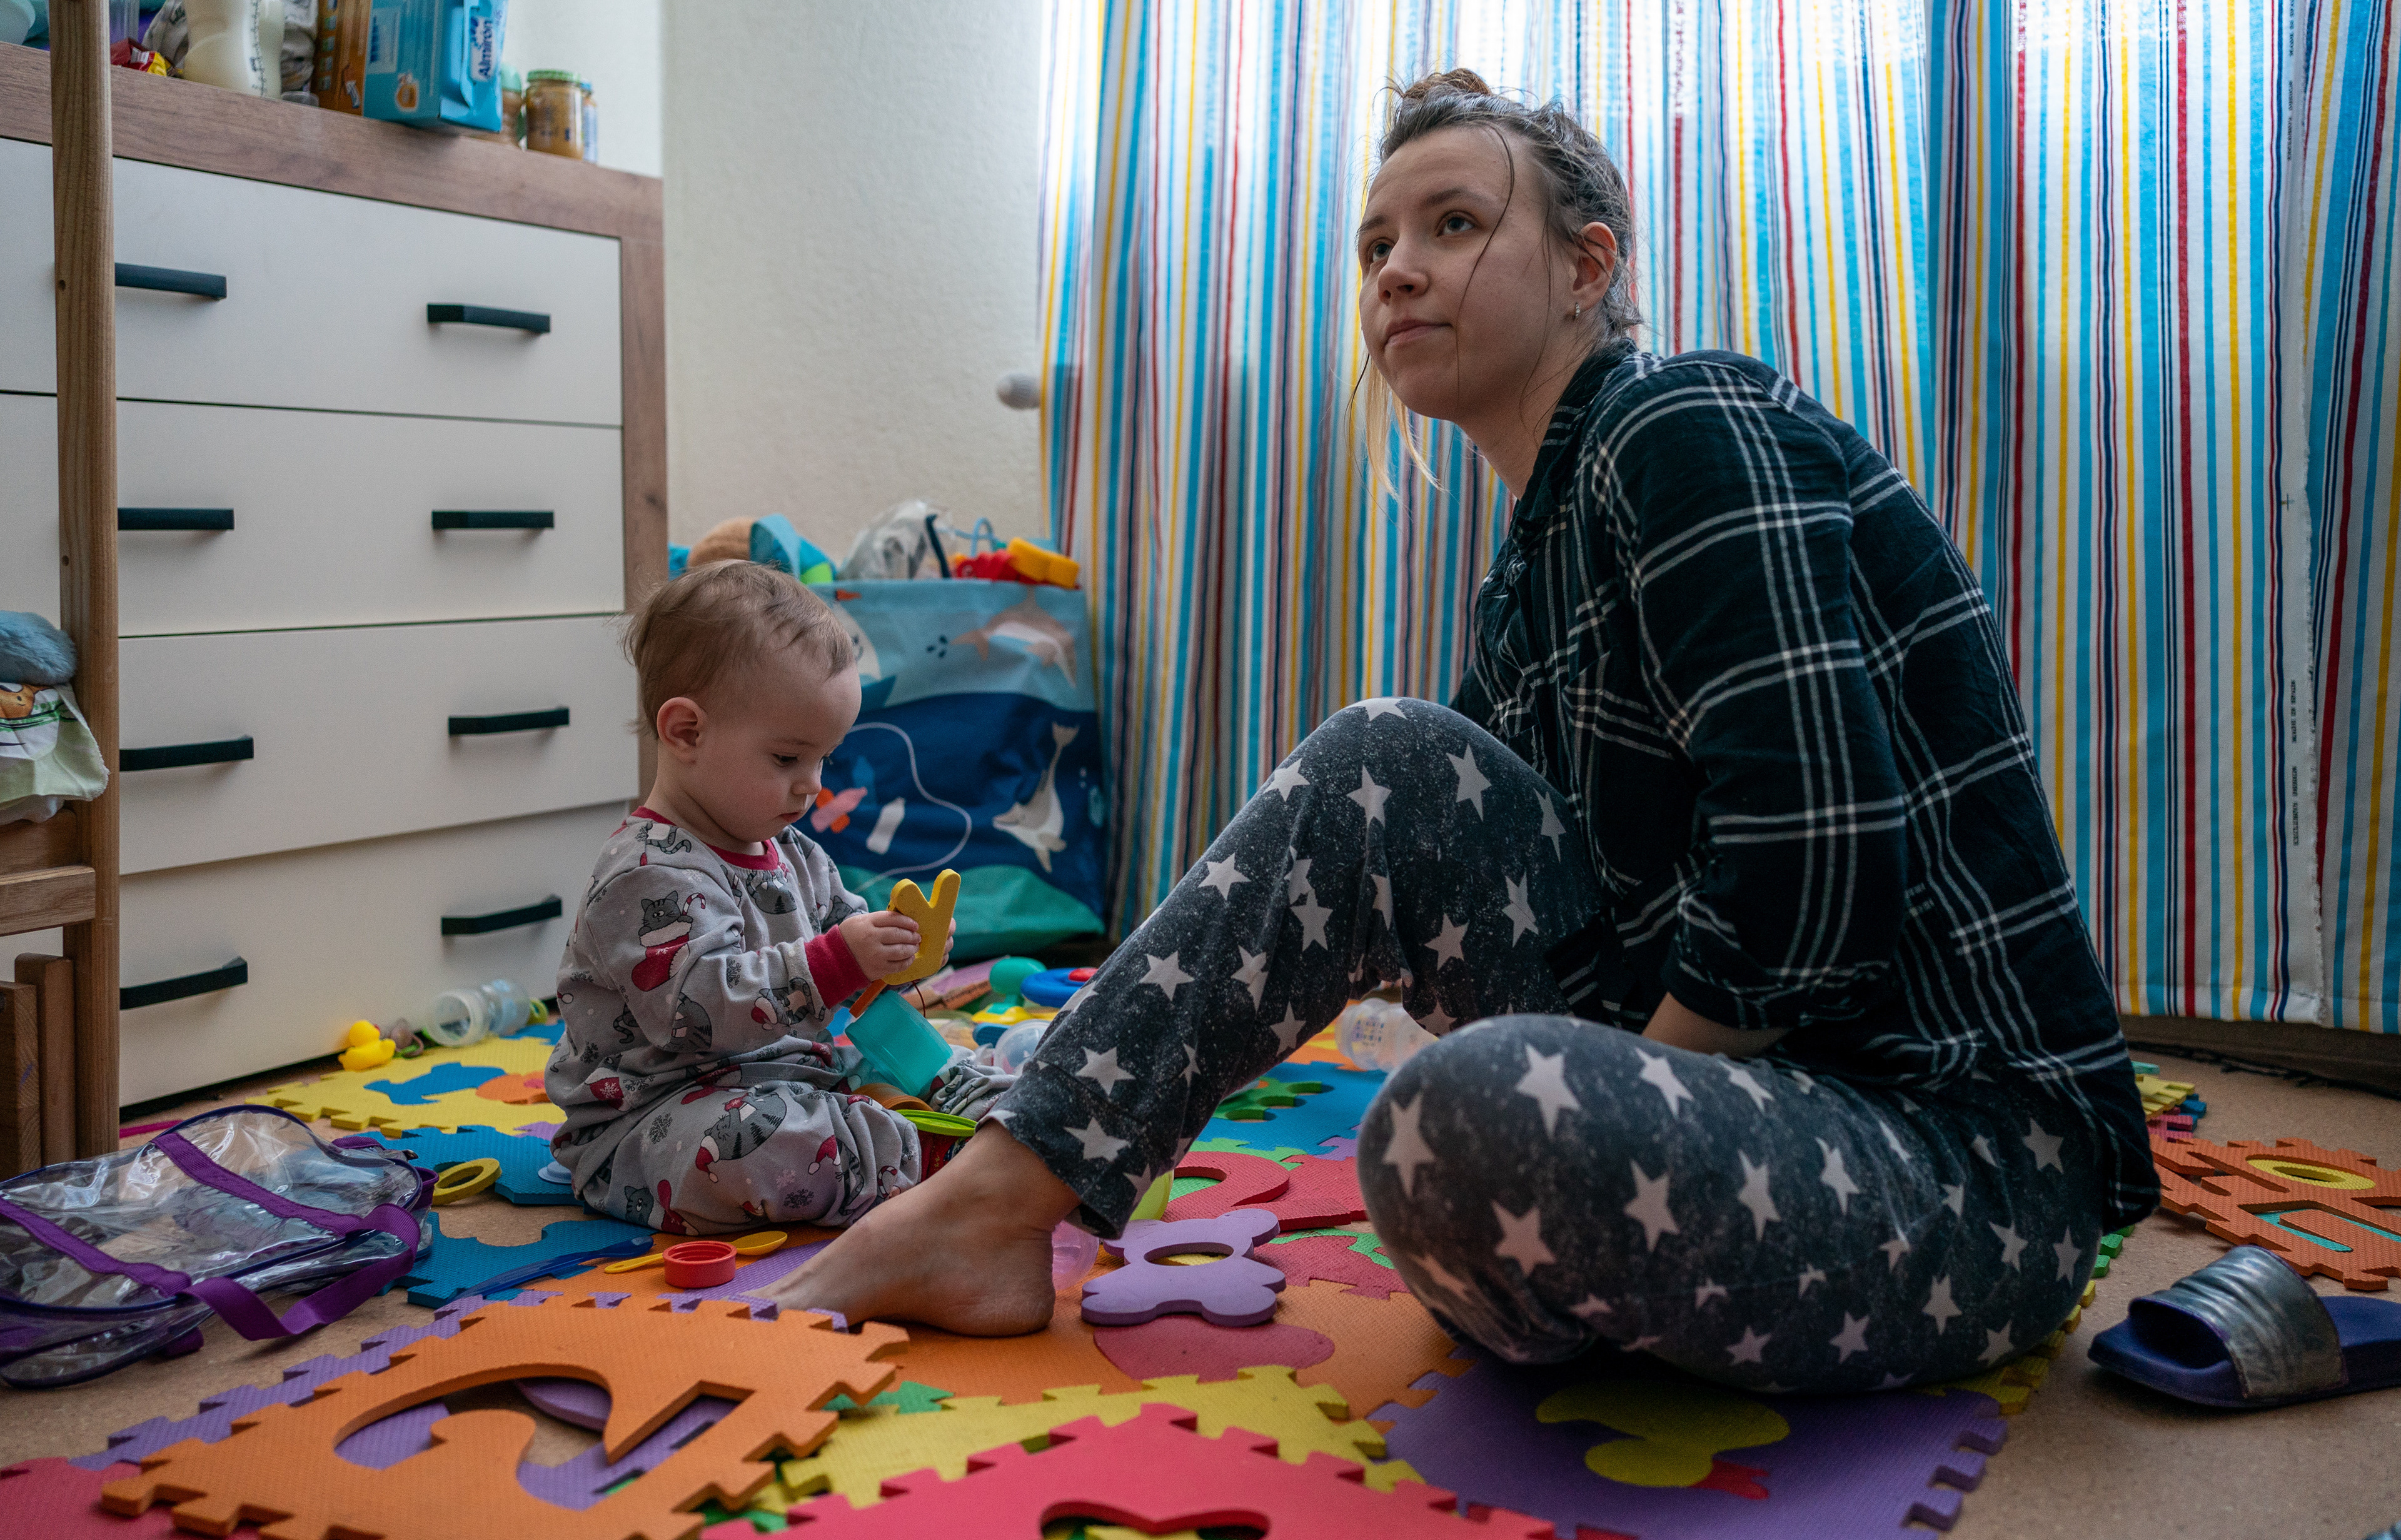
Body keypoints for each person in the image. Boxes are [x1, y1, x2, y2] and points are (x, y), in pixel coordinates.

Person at [760, 69, 2157, 1394]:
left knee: (1454, 1112)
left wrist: (1606, 1097)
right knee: (1396, 777)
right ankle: (1002, 1198)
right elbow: (1448, 885)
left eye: (1454, 225)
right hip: (1749, 1128)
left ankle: (1032, 1201)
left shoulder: (1682, 420)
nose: (1396, 272)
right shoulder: (1529, 574)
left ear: (1588, 268)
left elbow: (1816, 863)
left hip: (1959, 1164)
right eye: (1377, 246)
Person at [545, 561, 992, 1235]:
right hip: (654, 1121)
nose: (812, 785)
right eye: (787, 759)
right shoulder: (643, 874)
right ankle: (932, 1156)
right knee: (760, 1144)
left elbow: (844, 948)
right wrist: (840, 959)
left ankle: (990, 1113)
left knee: (929, 1054)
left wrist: (895, 954)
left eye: (823, 759)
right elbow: (699, 1012)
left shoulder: (792, 851)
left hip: (797, 1078)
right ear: (687, 732)